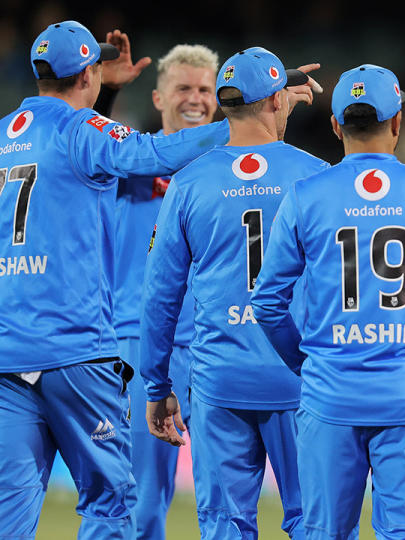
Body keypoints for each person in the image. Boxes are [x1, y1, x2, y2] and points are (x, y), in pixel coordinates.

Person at [0, 20, 229, 539]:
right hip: (82, 347)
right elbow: (148, 154)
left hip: (11, 351)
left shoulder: (7, 135)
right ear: (89, 73)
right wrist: (245, 116)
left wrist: (108, 93)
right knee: (115, 504)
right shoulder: (85, 134)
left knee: (9, 511)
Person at [251, 64, 405, 540]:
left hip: (328, 399)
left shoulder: (304, 198)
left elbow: (267, 303)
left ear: (335, 125)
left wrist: (306, 362)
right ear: (399, 121)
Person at [139, 46, 327, 539]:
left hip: (219, 383)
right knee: (316, 522)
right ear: (274, 103)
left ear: (223, 107)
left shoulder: (186, 183)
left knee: (225, 526)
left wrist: (157, 386)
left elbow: (160, 297)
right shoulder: (316, 177)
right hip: (301, 380)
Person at [103, 43, 220, 540]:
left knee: (225, 500)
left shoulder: (230, 172)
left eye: (206, 90)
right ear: (157, 98)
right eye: (183, 89)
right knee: (141, 501)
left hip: (218, 346)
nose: (195, 99)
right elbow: (85, 148)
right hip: (141, 345)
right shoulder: (131, 163)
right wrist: (106, 93)